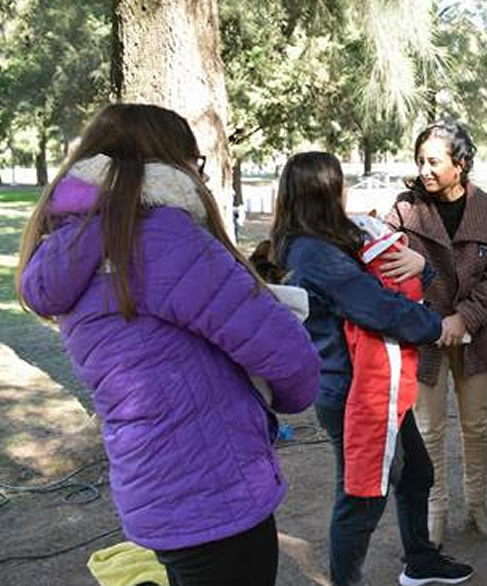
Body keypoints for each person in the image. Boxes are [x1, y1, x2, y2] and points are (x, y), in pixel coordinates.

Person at [16, 103, 322, 586]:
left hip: (151, 489)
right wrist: (284, 395)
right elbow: (287, 353)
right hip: (214, 490)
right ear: (170, 162)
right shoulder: (160, 235)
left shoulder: (70, 247)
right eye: (195, 161)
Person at [271, 152, 474, 586]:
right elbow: (374, 306)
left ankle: (420, 560)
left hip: (377, 384)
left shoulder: (320, 241)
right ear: (326, 192)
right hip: (355, 393)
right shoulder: (312, 253)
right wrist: (435, 326)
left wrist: (419, 266)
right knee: (363, 495)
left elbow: (384, 274)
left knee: (416, 472)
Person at [386, 120, 487, 546]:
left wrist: (465, 318)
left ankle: (478, 506)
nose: (425, 169)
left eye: (434, 161)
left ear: (460, 163)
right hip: (426, 337)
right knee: (428, 429)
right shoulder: (403, 210)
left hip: (476, 334)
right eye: (420, 160)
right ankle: (435, 513)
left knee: (476, 425)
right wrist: (431, 320)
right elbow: (388, 271)